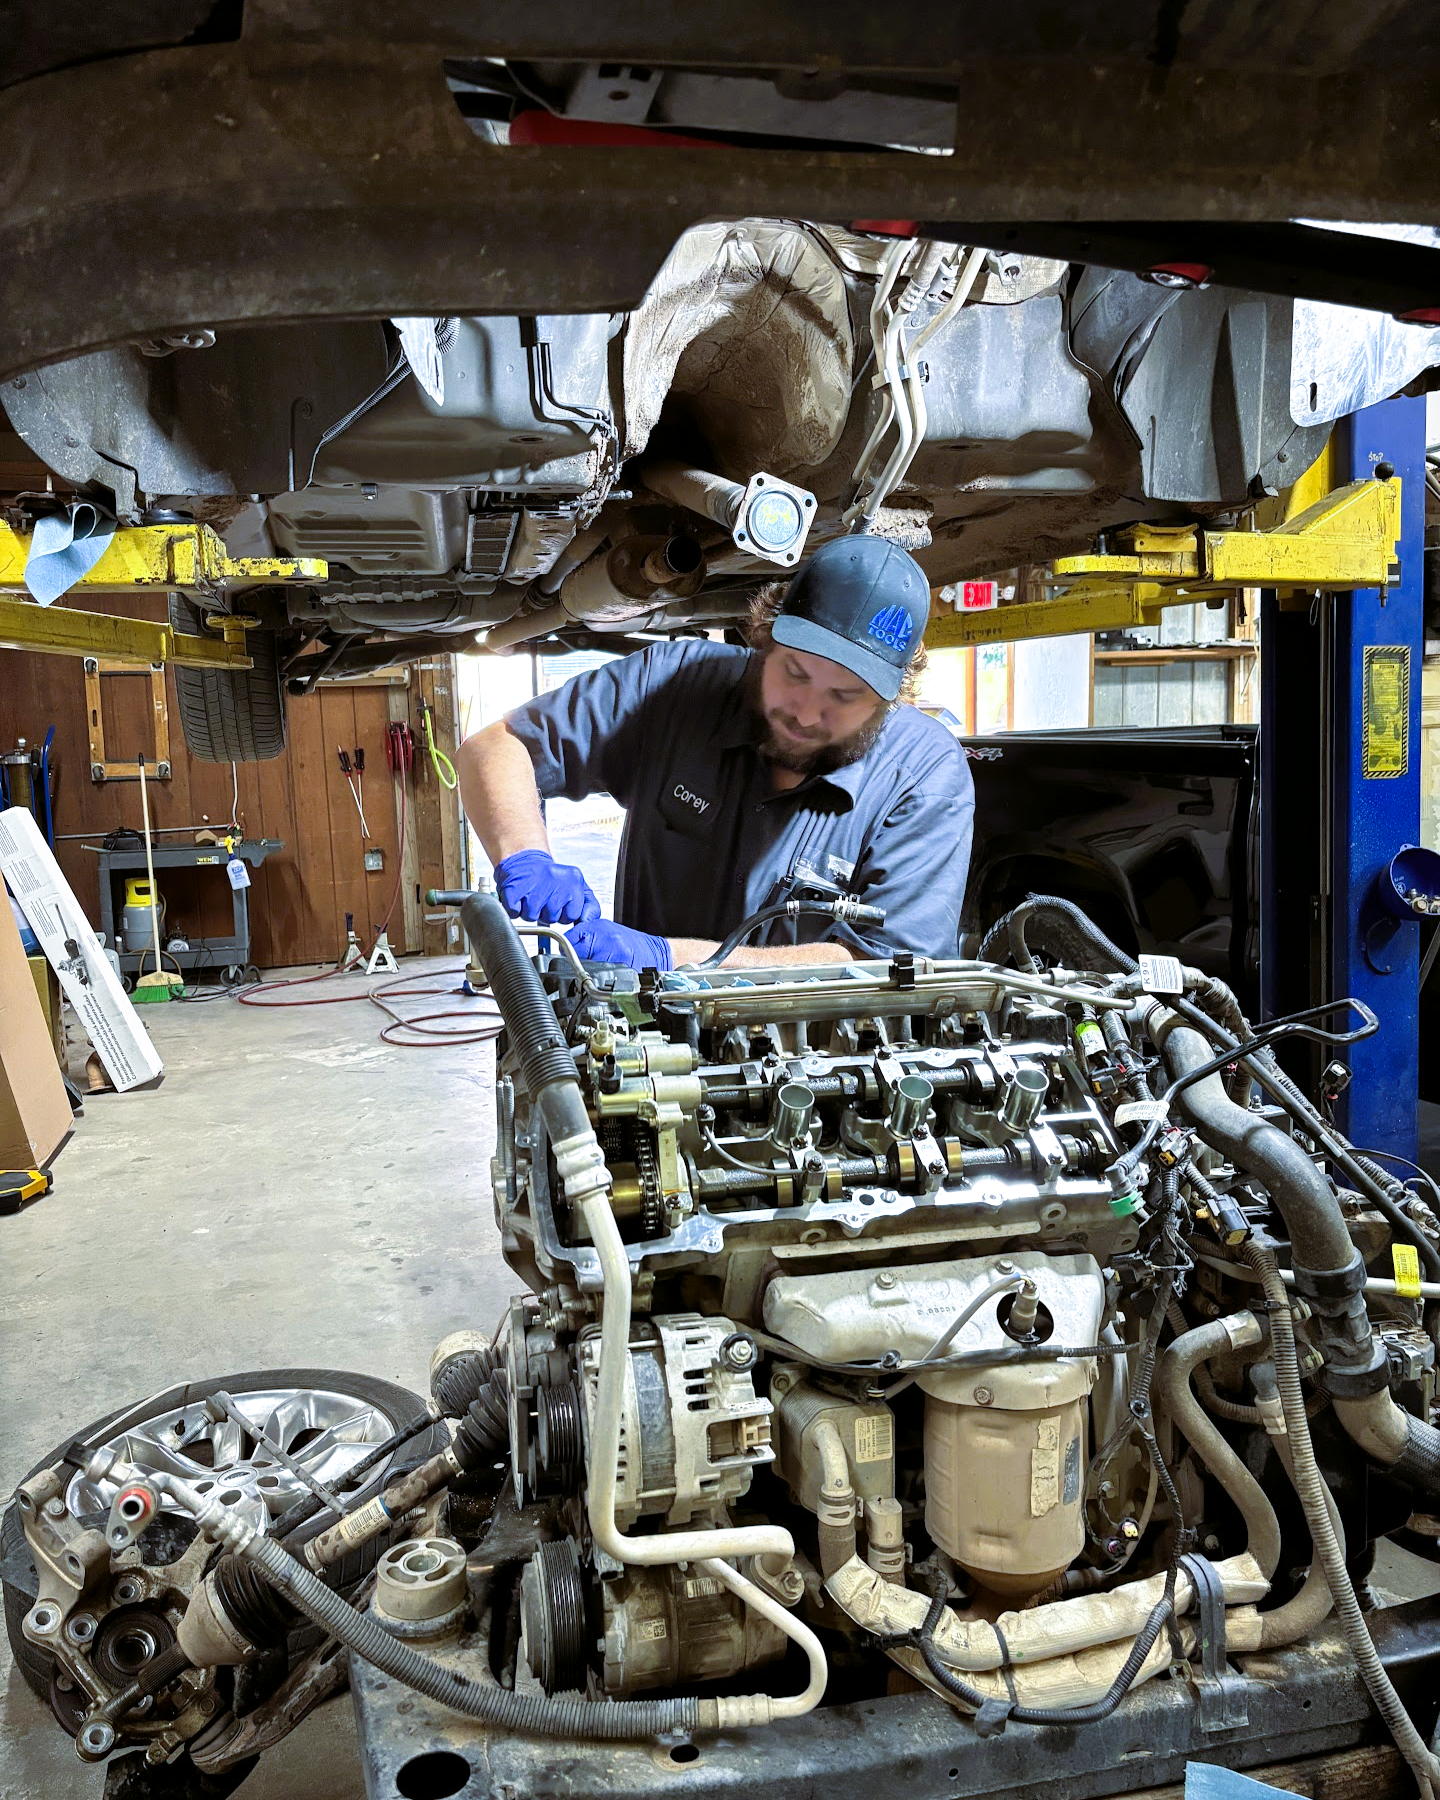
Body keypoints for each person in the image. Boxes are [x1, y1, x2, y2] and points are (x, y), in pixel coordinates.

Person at [456, 535, 974, 970]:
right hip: (637, 1046)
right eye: (795, 673)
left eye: (846, 696)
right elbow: (496, 748)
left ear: (893, 697)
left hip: (815, 1073)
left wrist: (668, 958)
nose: (809, 714)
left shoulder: (925, 772)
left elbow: (889, 964)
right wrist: (525, 853)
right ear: (763, 638)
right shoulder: (675, 684)